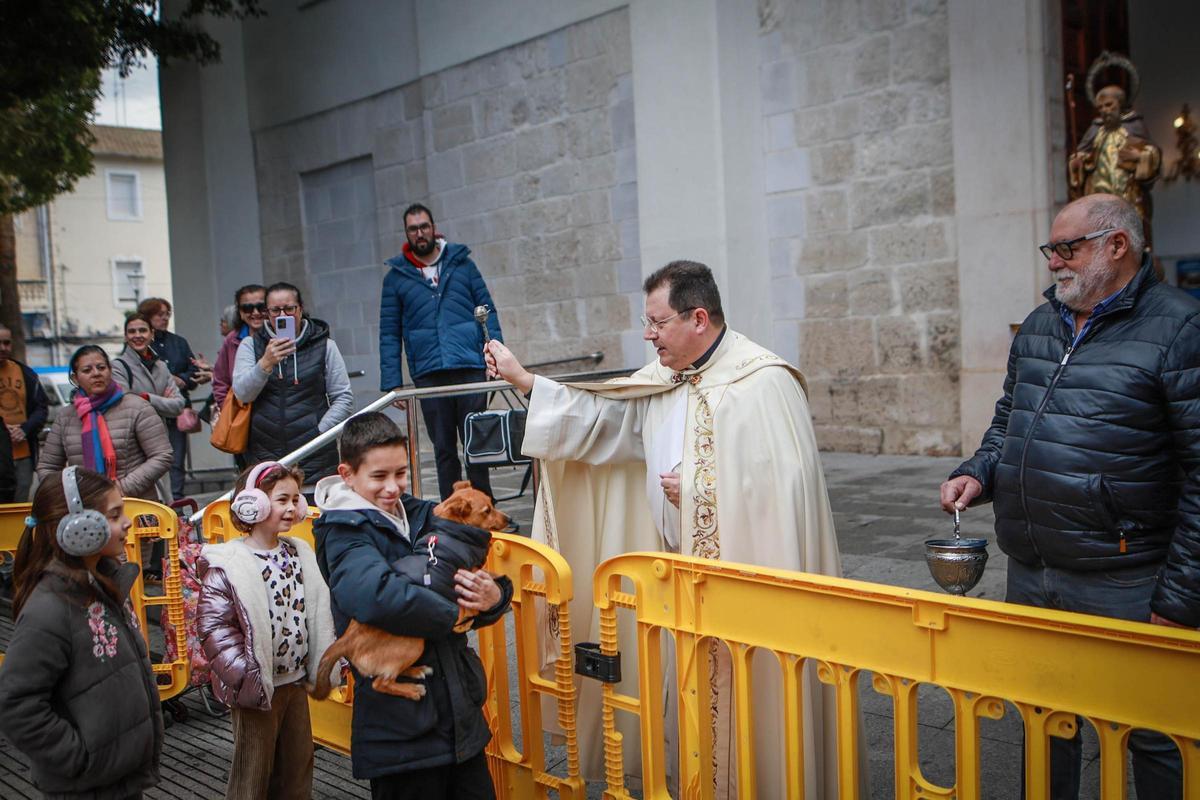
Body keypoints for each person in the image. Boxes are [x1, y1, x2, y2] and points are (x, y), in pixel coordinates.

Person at [485, 260, 850, 799]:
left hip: (740, 582)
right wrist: (525, 380)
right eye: (646, 320)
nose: (647, 333)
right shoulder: (660, 379)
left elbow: (785, 488)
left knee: (750, 713)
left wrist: (702, 487)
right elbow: (605, 423)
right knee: (686, 708)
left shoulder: (764, 382)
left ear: (698, 318)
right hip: (673, 580)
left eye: (657, 322)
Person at [939, 194, 1194, 799]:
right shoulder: (1039, 324)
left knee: (1154, 731)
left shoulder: (1181, 327)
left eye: (1067, 247)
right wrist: (980, 472)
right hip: (1032, 565)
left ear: (1117, 245)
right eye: (1051, 249)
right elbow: (1009, 421)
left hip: (1126, 573)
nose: (1054, 262)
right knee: (1045, 719)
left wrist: (1183, 594)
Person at [313, 412, 512, 798]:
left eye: (401, 473)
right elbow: (375, 595)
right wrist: (455, 616)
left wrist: (495, 595)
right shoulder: (344, 533)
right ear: (347, 474)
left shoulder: (424, 513)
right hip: (401, 735)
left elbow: (465, 575)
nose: (393, 487)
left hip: (458, 716)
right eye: (379, 477)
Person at [0, 467, 163, 797]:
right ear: (79, 527)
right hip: (87, 786)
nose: (128, 522)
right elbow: (16, 704)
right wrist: (80, 759)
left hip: (119, 779)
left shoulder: (103, 584)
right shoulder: (49, 608)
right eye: (115, 515)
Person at [196, 461, 338, 799]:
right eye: (281, 500)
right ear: (252, 503)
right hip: (256, 689)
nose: (291, 508)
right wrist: (245, 676)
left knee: (297, 769)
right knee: (252, 774)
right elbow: (214, 627)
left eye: (294, 500)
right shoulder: (229, 562)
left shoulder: (298, 552)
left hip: (293, 682)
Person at [379, 203, 502, 501]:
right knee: (444, 448)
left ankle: (484, 506)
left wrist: (496, 357)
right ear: (407, 234)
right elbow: (389, 330)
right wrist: (392, 380)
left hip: (469, 366)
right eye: (413, 229)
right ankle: (453, 509)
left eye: (424, 226)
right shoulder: (396, 278)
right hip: (429, 373)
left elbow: (488, 312)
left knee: (476, 442)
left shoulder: (462, 264)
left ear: (433, 228)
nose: (420, 233)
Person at [232, 282, 353, 484]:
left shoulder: (325, 345)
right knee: (274, 510)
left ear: (300, 309)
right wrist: (265, 363)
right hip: (265, 454)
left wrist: (319, 432)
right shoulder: (250, 345)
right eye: (275, 310)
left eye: (289, 309)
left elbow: (343, 397)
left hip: (316, 453)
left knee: (315, 512)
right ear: (267, 313)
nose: (283, 316)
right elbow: (243, 394)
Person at [37, 346, 173, 502]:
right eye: (87, 370)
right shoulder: (66, 417)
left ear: (110, 371)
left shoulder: (137, 407)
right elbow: (47, 467)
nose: (96, 373)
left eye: (101, 368)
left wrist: (121, 488)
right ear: (75, 379)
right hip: (86, 509)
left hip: (135, 504)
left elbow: (162, 455)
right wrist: (69, 495)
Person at [1068, 84, 1161, 246]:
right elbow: (1083, 156)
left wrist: (1139, 156)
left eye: (1109, 105)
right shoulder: (1096, 130)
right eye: (1101, 107)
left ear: (1121, 104)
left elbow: (1153, 154)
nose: (1104, 110)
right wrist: (1078, 162)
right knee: (1099, 239)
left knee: (1132, 238)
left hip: (1128, 195)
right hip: (1098, 197)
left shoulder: (1133, 126)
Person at [140, 297, 211, 500]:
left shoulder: (178, 342)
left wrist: (182, 380)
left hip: (178, 408)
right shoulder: (141, 344)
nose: (165, 318)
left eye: (167, 314)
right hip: (150, 410)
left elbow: (193, 370)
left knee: (176, 458)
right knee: (151, 458)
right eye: (159, 314)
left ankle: (176, 502)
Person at [0, 324, 51, 500]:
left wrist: (25, 429)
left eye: (6, 343)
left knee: (19, 506)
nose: (3, 348)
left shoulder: (25, 373)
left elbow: (41, 407)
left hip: (23, 453)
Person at [212, 284, 267, 417]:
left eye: (261, 307)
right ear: (241, 313)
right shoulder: (232, 340)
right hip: (242, 416)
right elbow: (220, 380)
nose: (255, 312)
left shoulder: (281, 336)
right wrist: (228, 410)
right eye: (247, 308)